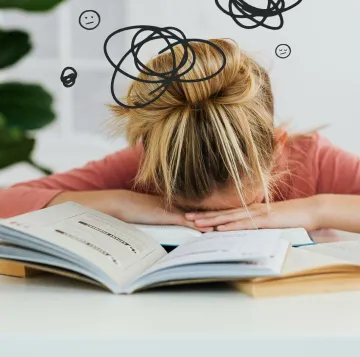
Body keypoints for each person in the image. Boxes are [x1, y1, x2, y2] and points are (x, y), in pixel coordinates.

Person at [1, 39, 360, 233]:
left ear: (275, 147)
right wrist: (120, 203)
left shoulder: (311, 159)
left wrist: (318, 209)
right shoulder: (147, 162)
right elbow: (9, 200)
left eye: (242, 212)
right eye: (191, 214)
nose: (215, 229)